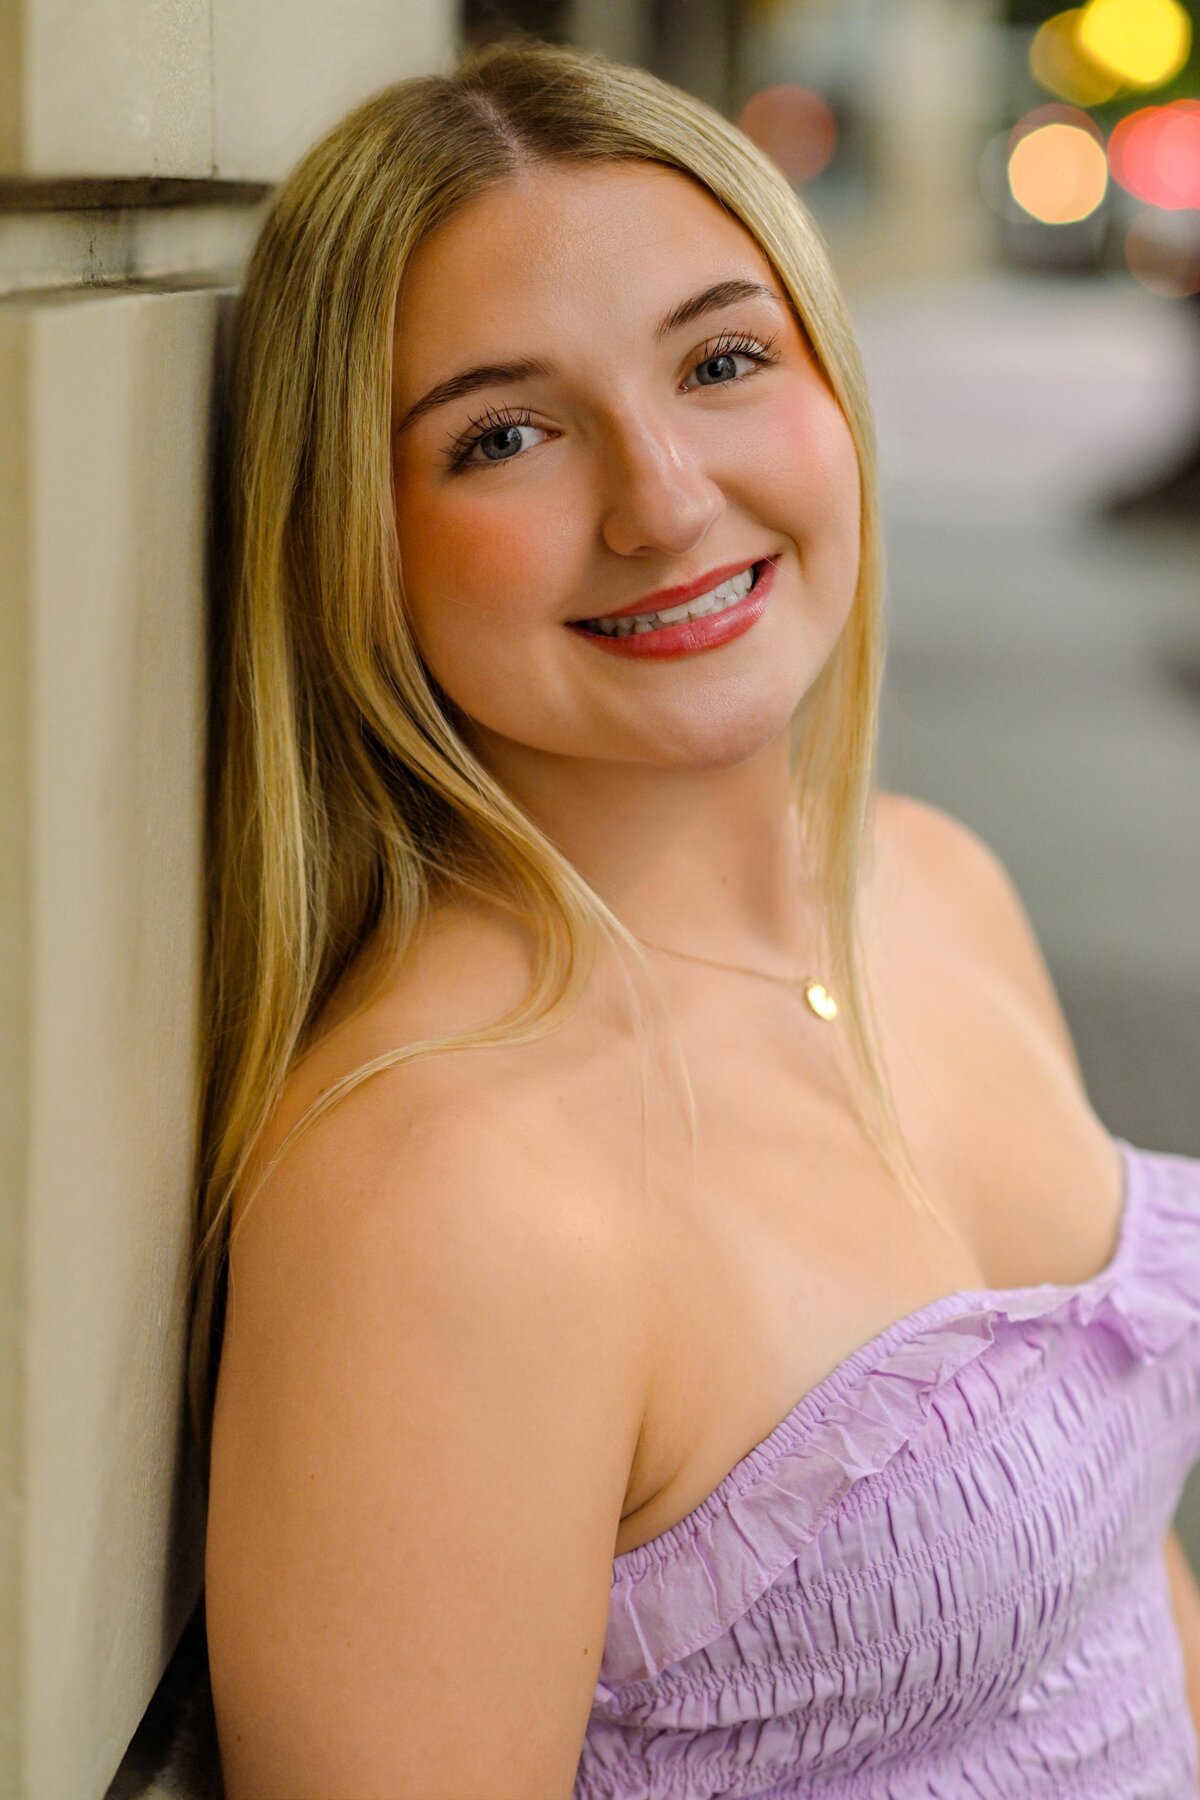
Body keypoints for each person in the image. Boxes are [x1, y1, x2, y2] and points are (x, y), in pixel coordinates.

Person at [193, 36, 1200, 1799]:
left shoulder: (931, 879)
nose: (662, 500)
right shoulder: (450, 1190)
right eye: (504, 436)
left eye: (723, 360)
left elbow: (1118, 1589)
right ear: (357, 531)